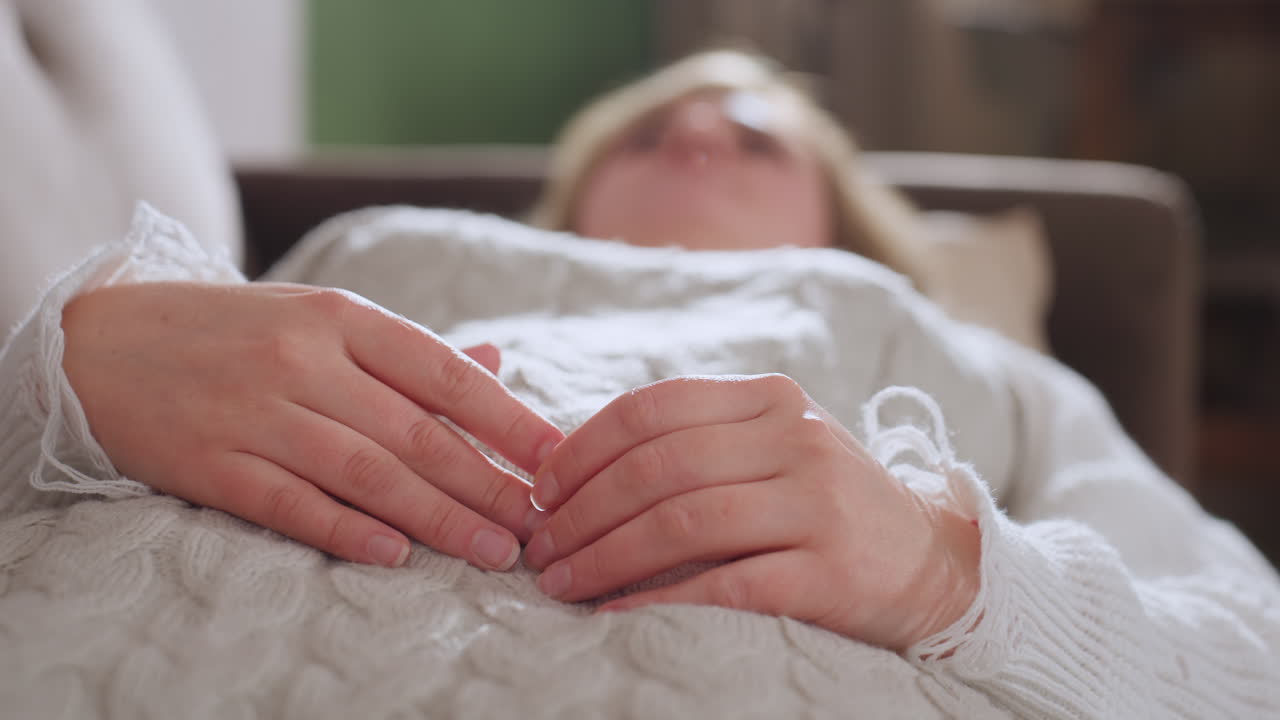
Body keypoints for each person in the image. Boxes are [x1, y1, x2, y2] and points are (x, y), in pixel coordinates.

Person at [2, 48, 1277, 718]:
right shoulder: (369, 257)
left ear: (838, 226)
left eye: (756, 132)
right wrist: (46, 387)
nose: (694, 131)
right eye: (647, 129)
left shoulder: (946, 347)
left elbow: (1248, 664)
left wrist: (951, 573)